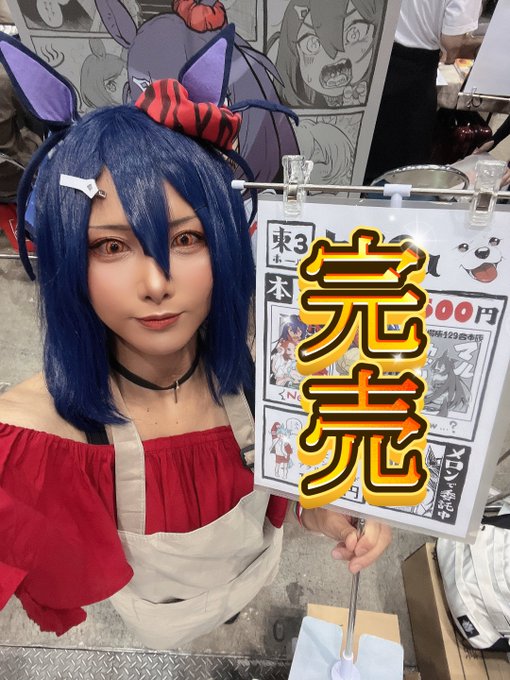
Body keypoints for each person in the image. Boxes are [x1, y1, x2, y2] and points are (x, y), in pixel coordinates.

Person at [0, 32, 391, 649]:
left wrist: (321, 507)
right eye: (111, 246)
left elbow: (293, 484)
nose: (156, 284)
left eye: (185, 239)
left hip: (254, 570)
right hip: (158, 618)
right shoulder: (33, 436)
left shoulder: (271, 369)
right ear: (69, 261)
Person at [364, 0, 482, 183]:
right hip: (414, 75)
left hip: (369, 51)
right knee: (400, 167)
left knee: (360, 149)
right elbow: (451, 44)